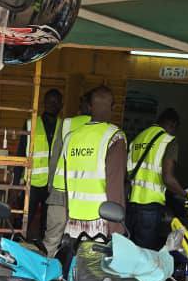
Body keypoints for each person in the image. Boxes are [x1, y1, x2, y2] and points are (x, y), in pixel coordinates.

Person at [52, 86, 127, 246]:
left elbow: (65, 184)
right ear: (113, 107)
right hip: (100, 227)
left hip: (72, 224)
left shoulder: (71, 137)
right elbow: (115, 187)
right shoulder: (115, 136)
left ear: (89, 107)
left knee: (74, 269)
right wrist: (117, 232)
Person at [126, 107, 184, 249]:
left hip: (131, 204)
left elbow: (127, 172)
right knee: (144, 254)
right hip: (150, 205)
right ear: (172, 125)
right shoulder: (168, 140)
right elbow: (168, 178)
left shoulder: (138, 139)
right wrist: (186, 195)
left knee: (129, 249)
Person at [42, 92, 92, 256]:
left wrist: (50, 187)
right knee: (82, 247)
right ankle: (73, 280)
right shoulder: (105, 129)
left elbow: (54, 158)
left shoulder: (66, 124)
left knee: (51, 242)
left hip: (59, 193)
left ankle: (45, 279)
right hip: (87, 200)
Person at [21, 88, 63, 238]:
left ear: (61, 105)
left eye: (56, 102)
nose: (53, 104)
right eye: (50, 101)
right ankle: (19, 246)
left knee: (47, 223)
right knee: (25, 219)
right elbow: (20, 153)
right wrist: (16, 182)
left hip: (53, 184)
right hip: (32, 182)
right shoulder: (31, 124)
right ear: (44, 103)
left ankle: (42, 251)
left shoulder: (64, 127)